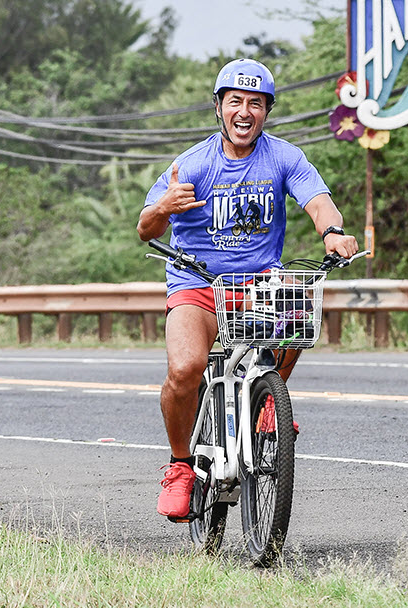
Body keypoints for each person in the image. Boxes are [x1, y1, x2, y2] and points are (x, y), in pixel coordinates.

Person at [137, 57, 359, 519]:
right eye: (234, 101)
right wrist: (164, 207)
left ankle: (265, 406)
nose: (244, 112)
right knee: (185, 369)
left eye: (255, 104)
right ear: (218, 108)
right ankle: (180, 465)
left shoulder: (284, 157)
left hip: (257, 284)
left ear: (267, 111)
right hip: (197, 283)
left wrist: (333, 233)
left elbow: (318, 202)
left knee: (300, 309)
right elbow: (145, 228)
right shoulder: (191, 164)